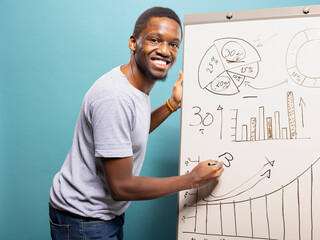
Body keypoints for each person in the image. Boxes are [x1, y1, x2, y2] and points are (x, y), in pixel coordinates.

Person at [49, 6, 224, 240]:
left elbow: (129, 133)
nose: (165, 50)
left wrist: (171, 104)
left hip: (99, 216)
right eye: (155, 40)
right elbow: (122, 187)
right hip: (84, 220)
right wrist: (191, 179)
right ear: (134, 43)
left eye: (173, 44)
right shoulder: (115, 97)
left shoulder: (134, 86)